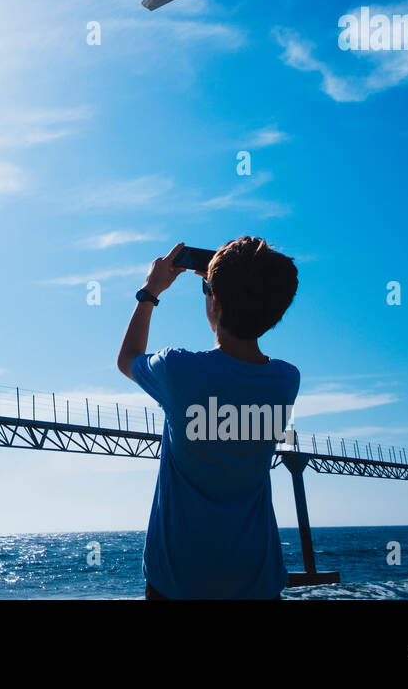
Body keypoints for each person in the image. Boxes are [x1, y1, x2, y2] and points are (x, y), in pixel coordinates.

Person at [117, 237, 300, 599]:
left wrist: (150, 291)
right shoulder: (285, 380)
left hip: (178, 583)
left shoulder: (178, 370)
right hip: (256, 581)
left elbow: (127, 358)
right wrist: (225, 285)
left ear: (214, 300)